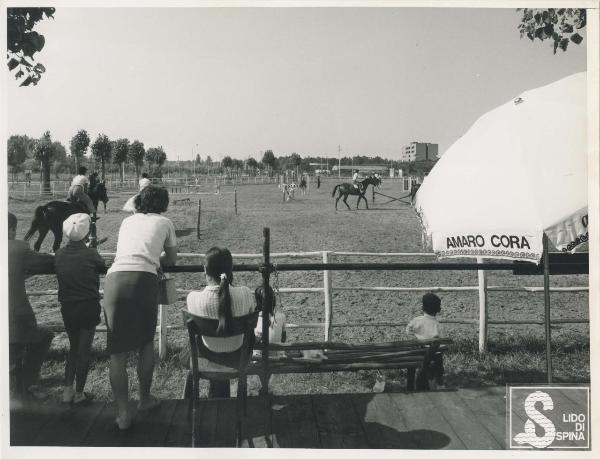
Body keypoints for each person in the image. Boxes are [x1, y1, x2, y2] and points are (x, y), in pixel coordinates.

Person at [104, 185, 178, 430]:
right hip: (144, 278)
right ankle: (144, 399)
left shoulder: (128, 222)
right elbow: (171, 259)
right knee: (146, 343)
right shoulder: (165, 222)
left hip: (115, 279)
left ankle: (123, 414)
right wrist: (156, 259)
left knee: (117, 353)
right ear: (163, 203)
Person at [186, 247, 257, 398]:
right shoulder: (245, 293)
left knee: (187, 350)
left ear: (205, 269)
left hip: (208, 352)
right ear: (231, 269)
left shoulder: (192, 298)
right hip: (238, 356)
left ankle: (192, 401)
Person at [54, 213, 106, 404]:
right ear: (86, 233)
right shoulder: (90, 253)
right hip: (87, 305)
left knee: (73, 348)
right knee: (84, 350)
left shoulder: (59, 254)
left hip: (67, 306)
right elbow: (102, 266)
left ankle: (67, 390)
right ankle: (79, 393)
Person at [8, 212, 55, 402]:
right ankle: (26, 385)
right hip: (14, 317)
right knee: (43, 336)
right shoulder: (17, 248)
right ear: (12, 229)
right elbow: (46, 262)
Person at [406, 293, 445, 390]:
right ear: (437, 310)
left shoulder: (417, 321)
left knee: (419, 365)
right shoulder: (437, 325)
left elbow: (408, 330)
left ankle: (415, 385)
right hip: (435, 355)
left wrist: (416, 338)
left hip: (420, 353)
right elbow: (441, 343)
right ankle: (438, 385)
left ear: (422, 307)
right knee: (437, 370)